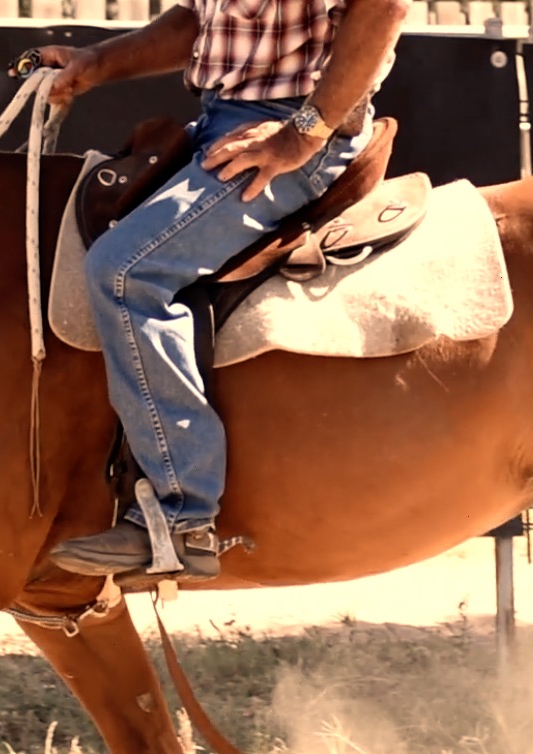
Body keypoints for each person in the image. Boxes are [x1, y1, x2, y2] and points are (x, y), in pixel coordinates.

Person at [37, 0, 411, 582]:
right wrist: (98, 62)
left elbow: (384, 7)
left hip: (296, 127)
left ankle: (182, 515)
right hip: (221, 121)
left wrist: (303, 134)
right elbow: (201, 22)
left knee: (127, 270)